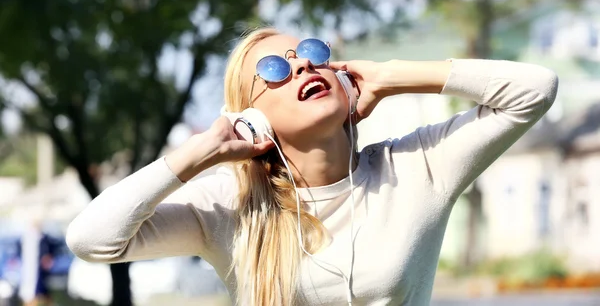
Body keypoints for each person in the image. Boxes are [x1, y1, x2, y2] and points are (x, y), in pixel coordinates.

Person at [66, 27, 559, 306]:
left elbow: (533, 91)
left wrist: (390, 76)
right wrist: (199, 153)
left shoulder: (418, 166)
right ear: (251, 117)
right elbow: (91, 240)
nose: (302, 66)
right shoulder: (226, 207)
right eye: (275, 69)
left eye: (311, 53)